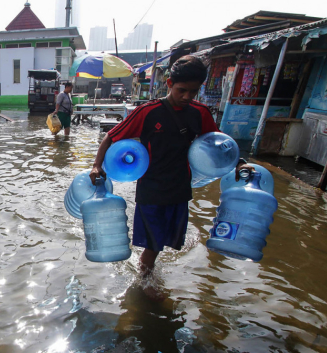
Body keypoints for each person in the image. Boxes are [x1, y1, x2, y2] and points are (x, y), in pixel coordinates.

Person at [89, 55, 252, 279]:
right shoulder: (148, 112)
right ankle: (145, 284)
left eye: (193, 92)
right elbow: (111, 136)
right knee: (153, 245)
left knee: (167, 240)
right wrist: (97, 166)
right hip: (152, 188)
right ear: (169, 84)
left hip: (180, 188)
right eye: (181, 90)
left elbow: (219, 145)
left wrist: (240, 162)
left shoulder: (200, 113)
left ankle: (147, 276)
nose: (187, 97)